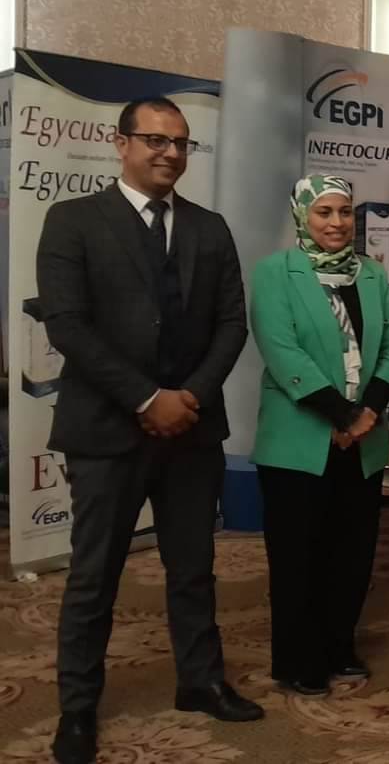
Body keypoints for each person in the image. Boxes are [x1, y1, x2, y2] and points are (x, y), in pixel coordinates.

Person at [37, 97, 263, 764]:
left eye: (181, 143)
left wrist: (188, 397)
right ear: (122, 143)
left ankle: (201, 681)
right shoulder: (73, 220)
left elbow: (232, 324)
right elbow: (66, 324)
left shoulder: (209, 228)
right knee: (94, 576)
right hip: (107, 430)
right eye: (156, 140)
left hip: (191, 429)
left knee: (193, 568)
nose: (170, 153)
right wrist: (145, 397)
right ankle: (78, 709)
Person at [250, 174, 389, 696]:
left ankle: (340, 644)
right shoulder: (275, 272)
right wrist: (342, 415)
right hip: (299, 439)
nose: (336, 223)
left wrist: (368, 412)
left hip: (364, 441)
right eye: (324, 212)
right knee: (298, 555)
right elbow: (281, 350)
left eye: (344, 212)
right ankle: (300, 659)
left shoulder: (372, 274)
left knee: (352, 553)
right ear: (302, 215)